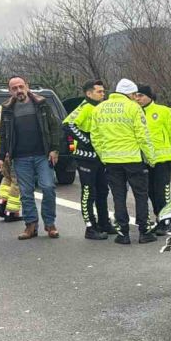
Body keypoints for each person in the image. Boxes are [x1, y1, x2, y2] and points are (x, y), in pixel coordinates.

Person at [0, 76, 63, 240]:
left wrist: (54, 149)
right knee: (25, 193)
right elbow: (3, 135)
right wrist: (0, 157)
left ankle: (50, 224)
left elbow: (54, 128)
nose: (18, 90)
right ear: (10, 91)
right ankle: (30, 226)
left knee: (48, 187)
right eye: (14, 88)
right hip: (20, 158)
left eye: (21, 86)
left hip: (42, 156)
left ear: (27, 86)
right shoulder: (7, 109)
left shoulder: (42, 104)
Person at [92, 78, 157, 244]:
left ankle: (123, 234)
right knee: (141, 195)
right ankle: (144, 231)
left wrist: (104, 156)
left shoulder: (99, 108)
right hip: (133, 159)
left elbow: (95, 137)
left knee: (118, 196)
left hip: (111, 161)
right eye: (134, 94)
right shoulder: (133, 108)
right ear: (129, 93)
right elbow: (143, 135)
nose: (136, 98)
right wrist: (150, 158)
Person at [63, 80, 117, 240]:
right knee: (88, 192)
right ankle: (90, 227)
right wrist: (87, 140)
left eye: (103, 91)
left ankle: (104, 222)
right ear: (89, 93)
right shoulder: (85, 107)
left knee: (102, 190)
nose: (103, 94)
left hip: (101, 157)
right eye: (99, 91)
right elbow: (67, 124)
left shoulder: (100, 107)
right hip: (86, 158)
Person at [133, 85, 171, 233]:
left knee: (161, 192)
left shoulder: (163, 111)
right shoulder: (134, 112)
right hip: (143, 160)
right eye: (136, 96)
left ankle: (166, 221)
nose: (138, 99)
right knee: (149, 191)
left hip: (162, 159)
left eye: (141, 95)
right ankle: (158, 217)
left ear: (149, 96)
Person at [0, 104, 22, 223]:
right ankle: (11, 212)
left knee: (7, 178)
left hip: (0, 149)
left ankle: (1, 201)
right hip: (11, 149)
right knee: (17, 181)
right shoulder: (18, 110)